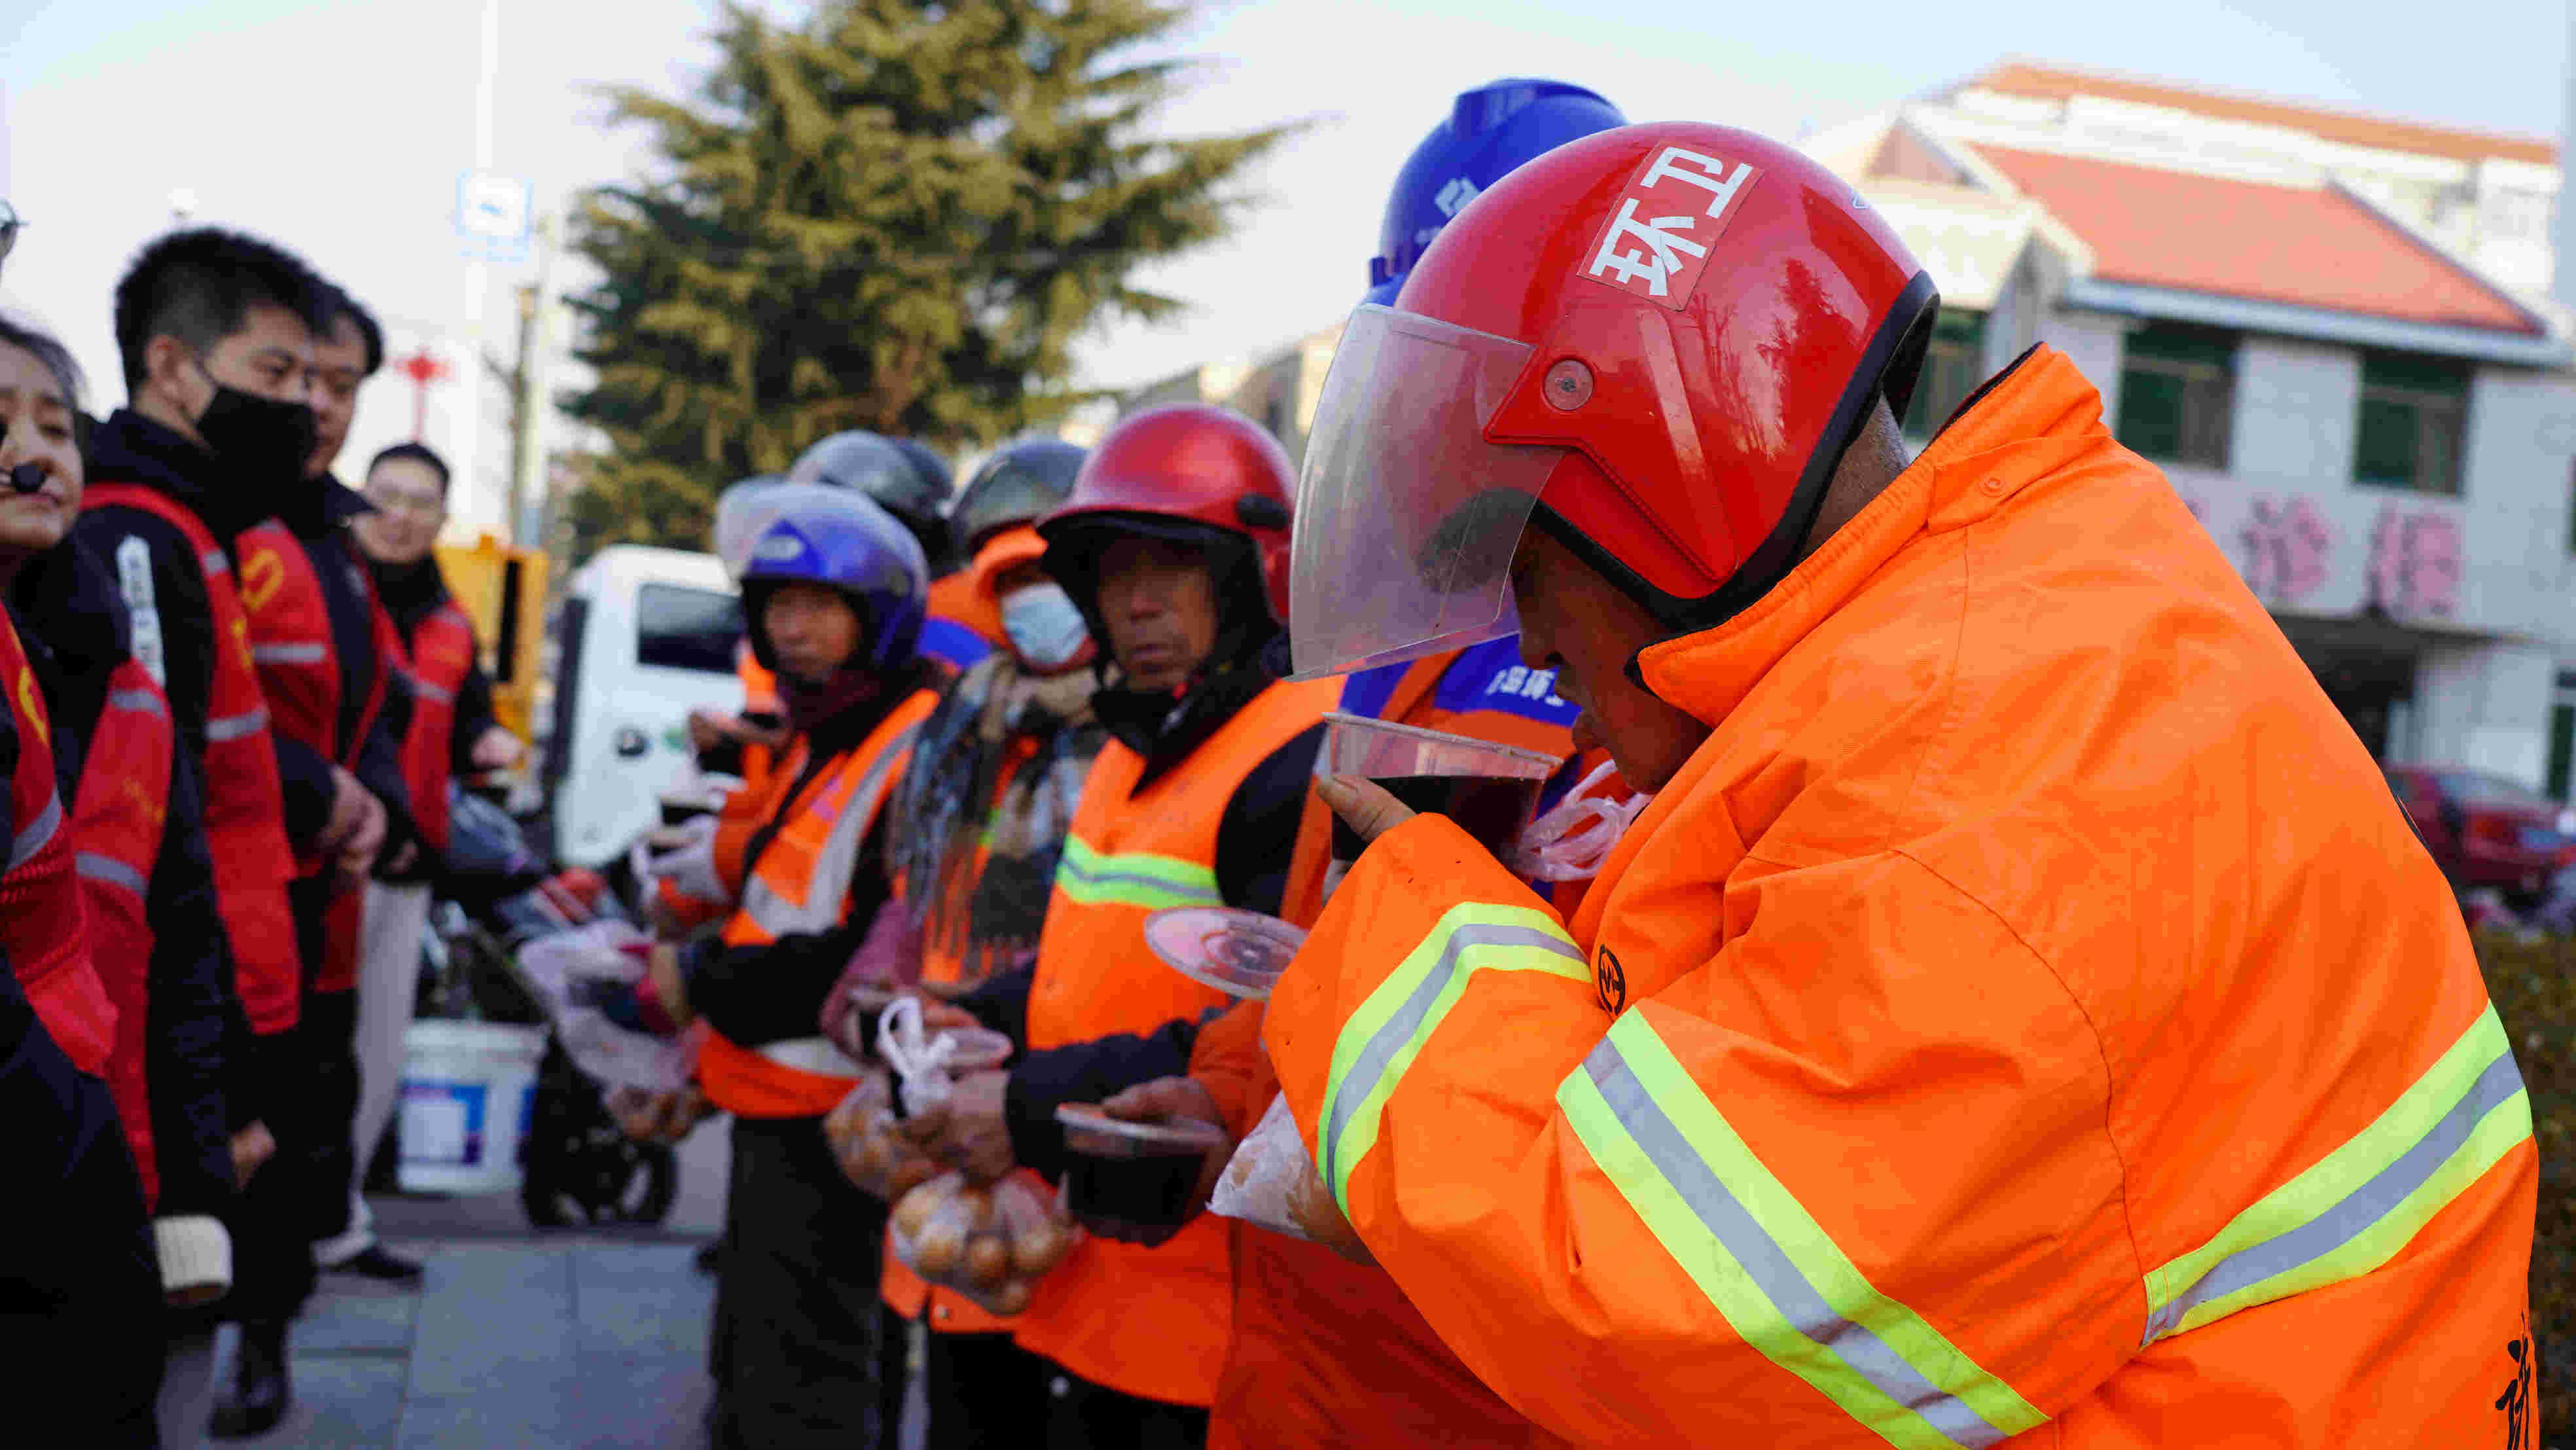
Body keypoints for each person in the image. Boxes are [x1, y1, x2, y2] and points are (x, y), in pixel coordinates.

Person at [1264, 121, 2540, 1445]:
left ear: (1663, 500)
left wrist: (1409, 935)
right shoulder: (2027, 611)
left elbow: (1654, 1312)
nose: (1527, 642)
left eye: (1526, 570)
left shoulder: (1966, 803)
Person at [1097, 78, 1632, 1450]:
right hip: (1303, 1361)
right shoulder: (1399, 642)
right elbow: (1328, 949)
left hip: (1485, 1386)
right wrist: (1226, 1093)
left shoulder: (1661, 659)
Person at [902, 404, 1336, 1449]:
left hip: (1204, 1321)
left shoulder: (1298, 755)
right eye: (1112, 574)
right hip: (1093, 1283)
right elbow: (1084, 960)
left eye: (1171, 568)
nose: (1135, 603)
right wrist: (977, 1015)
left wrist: (1024, 1104)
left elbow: (1273, 1036)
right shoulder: (1131, 748)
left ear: (1253, 577)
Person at [77, 228, 322, 1437]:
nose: (302, 406)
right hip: (178, 1022)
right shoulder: (136, 534)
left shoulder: (199, 525)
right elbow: (154, 829)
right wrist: (211, 1074)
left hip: (228, 990)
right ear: (172, 367)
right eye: (275, 374)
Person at [643, 490, 943, 1449]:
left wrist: (701, 979)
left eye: (819, 605)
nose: (792, 628)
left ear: (878, 617)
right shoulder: (825, 728)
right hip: (774, 1095)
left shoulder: (915, 740)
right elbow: (780, 893)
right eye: (777, 605)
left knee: (808, 1391)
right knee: (754, 1374)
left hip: (836, 1117)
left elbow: (875, 942)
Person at [873, 435, 1102, 1449]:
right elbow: (916, 881)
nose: (1031, 603)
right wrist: (885, 988)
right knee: (963, 1395)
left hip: (1057, 1114)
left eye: (1049, 576)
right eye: (1010, 583)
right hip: (947, 1096)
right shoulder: (968, 715)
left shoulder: (1138, 730)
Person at [0, 315, 169, 1447]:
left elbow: (184, 910)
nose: (30, 454)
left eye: (55, 428)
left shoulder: (97, 659)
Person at [321, 438, 520, 1282]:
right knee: (305, 1051)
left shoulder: (450, 622)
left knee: (374, 1053)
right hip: (317, 863)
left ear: (443, 519)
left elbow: (470, 721)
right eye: (387, 495)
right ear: (360, 498)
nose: (399, 516)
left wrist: (489, 741)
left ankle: (338, 1224)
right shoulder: (324, 588)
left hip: (404, 871)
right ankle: (273, 1228)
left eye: (420, 502)